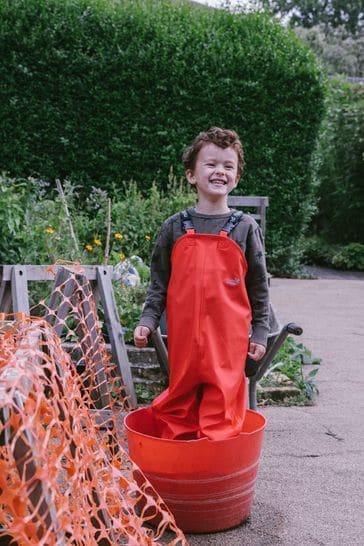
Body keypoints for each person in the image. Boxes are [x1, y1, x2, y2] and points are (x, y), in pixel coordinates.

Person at [133, 127, 269, 441]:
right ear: (192, 175)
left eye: (228, 166)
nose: (220, 171)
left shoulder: (245, 228)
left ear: (236, 178)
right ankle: (178, 464)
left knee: (222, 409)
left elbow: (259, 286)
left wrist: (260, 330)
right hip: (184, 341)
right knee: (178, 401)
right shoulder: (175, 227)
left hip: (227, 341)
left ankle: (215, 468)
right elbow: (159, 281)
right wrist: (148, 319)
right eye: (211, 164)